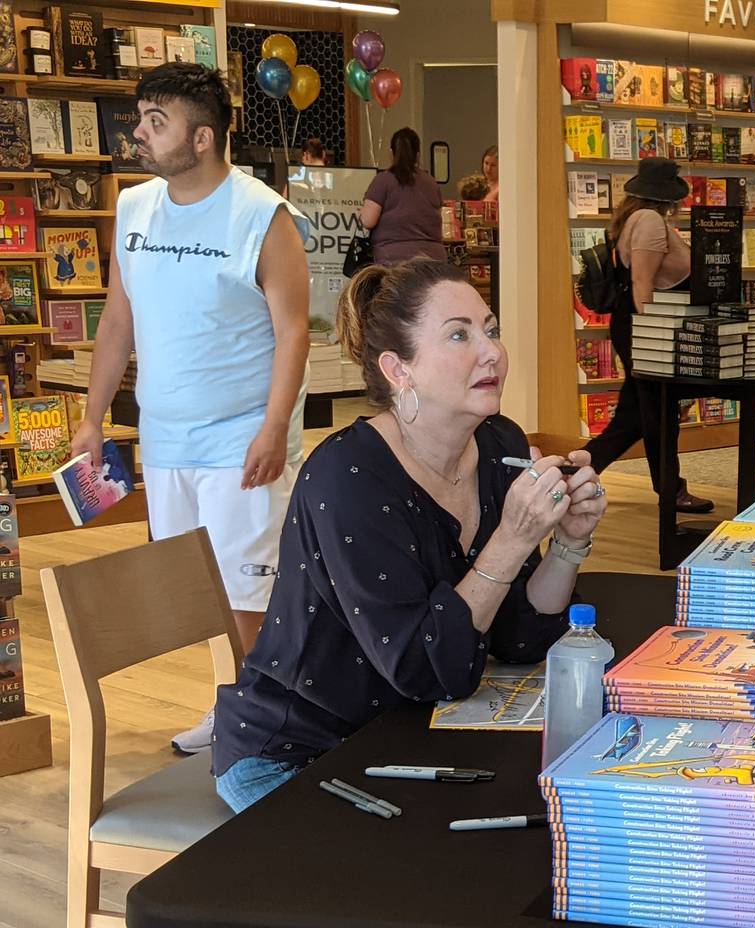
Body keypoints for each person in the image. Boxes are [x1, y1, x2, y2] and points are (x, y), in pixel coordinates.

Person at [211, 258, 607, 811]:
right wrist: (514, 537)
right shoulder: (346, 477)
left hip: (408, 733)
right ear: (399, 370)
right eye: (459, 335)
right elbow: (422, 668)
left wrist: (566, 542)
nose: (491, 351)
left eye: (490, 329)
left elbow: (518, 636)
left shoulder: (498, 444)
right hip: (301, 750)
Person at [66, 62, 309, 756]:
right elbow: (119, 319)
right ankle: (228, 705)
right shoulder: (136, 207)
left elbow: (294, 330)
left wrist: (271, 428)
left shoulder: (262, 214)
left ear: (202, 138)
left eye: (155, 121)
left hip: (241, 440)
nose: (138, 133)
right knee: (196, 590)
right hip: (165, 438)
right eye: (140, 118)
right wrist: (92, 418)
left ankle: (261, 717)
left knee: (246, 595)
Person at [582, 158, 712, 514]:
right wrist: (656, 334)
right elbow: (643, 286)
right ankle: (670, 490)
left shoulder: (632, 220)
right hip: (646, 325)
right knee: (656, 413)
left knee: (637, 415)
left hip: (636, 324)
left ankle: (577, 470)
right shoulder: (652, 223)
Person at [359, 127, 445, 266]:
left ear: (392, 153)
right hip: (433, 260)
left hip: (392, 261)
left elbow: (368, 220)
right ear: (418, 155)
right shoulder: (431, 182)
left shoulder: (383, 180)